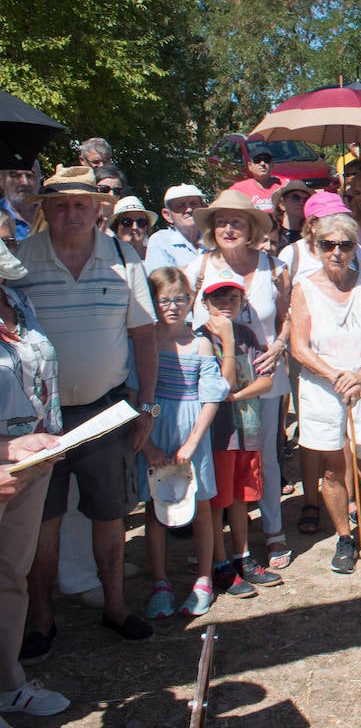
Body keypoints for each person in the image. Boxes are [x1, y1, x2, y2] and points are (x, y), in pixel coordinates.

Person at [14, 166, 158, 656]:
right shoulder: (18, 261)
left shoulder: (124, 258)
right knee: (42, 521)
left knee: (110, 515)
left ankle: (115, 607)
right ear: (45, 210)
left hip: (107, 410)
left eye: (81, 204)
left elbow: (144, 336)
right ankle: (41, 619)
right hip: (39, 422)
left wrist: (148, 407)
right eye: (60, 204)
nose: (71, 212)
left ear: (99, 210)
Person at [184, 190, 293, 571]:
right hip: (211, 383)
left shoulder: (274, 267)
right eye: (221, 222)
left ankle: (274, 531)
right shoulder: (196, 269)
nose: (228, 228)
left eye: (237, 222)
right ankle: (224, 543)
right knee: (220, 457)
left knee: (264, 455)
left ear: (251, 228)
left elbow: (287, 316)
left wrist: (279, 346)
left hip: (263, 374)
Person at [289, 214, 361, 576]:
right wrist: (336, 376)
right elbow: (299, 346)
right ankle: (344, 537)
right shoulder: (302, 287)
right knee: (334, 471)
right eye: (328, 245)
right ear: (316, 247)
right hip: (324, 389)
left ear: (355, 247)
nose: (337, 252)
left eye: (345, 245)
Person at [0, 240, 70, 718]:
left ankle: (9, 683)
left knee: (10, 577)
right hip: (8, 460)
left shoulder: (17, 298)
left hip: (33, 459)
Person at [138, 267, 228, 619]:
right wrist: (147, 447)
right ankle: (160, 582)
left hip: (193, 435)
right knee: (156, 506)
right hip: (155, 428)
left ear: (191, 300)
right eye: (164, 299)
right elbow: (134, 394)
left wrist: (192, 443)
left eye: (180, 299)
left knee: (201, 506)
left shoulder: (201, 343)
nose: (173, 306)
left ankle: (203, 580)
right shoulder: (145, 342)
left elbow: (210, 398)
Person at [199, 271, 282, 600]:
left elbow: (266, 381)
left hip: (245, 431)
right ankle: (219, 564)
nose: (225, 305)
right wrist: (230, 345)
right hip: (216, 435)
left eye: (233, 298)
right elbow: (220, 382)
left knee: (240, 497)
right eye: (218, 299)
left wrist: (233, 397)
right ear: (205, 302)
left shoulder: (248, 333)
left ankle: (242, 557)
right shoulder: (201, 338)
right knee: (217, 499)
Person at [144, 184, 208, 272]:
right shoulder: (161, 241)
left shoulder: (213, 238)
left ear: (203, 208)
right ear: (167, 215)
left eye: (193, 204)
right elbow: (161, 281)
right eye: (181, 206)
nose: (189, 209)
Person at [229, 145, 284, 212]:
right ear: (250, 166)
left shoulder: (283, 185)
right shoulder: (239, 188)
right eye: (257, 160)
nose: (263, 163)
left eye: (267, 160)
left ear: (272, 164)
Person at [108, 196, 157, 261]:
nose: (135, 227)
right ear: (116, 227)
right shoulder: (107, 259)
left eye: (141, 222)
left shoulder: (157, 255)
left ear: (147, 227)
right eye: (127, 222)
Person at [0, 168, 39, 242]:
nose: (24, 182)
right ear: (1, 181)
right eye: (16, 176)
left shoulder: (52, 214)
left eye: (30, 175)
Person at [271, 180, 312, 250]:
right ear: (282, 205)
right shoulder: (272, 231)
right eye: (295, 197)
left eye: (305, 199)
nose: (301, 202)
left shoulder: (311, 234)